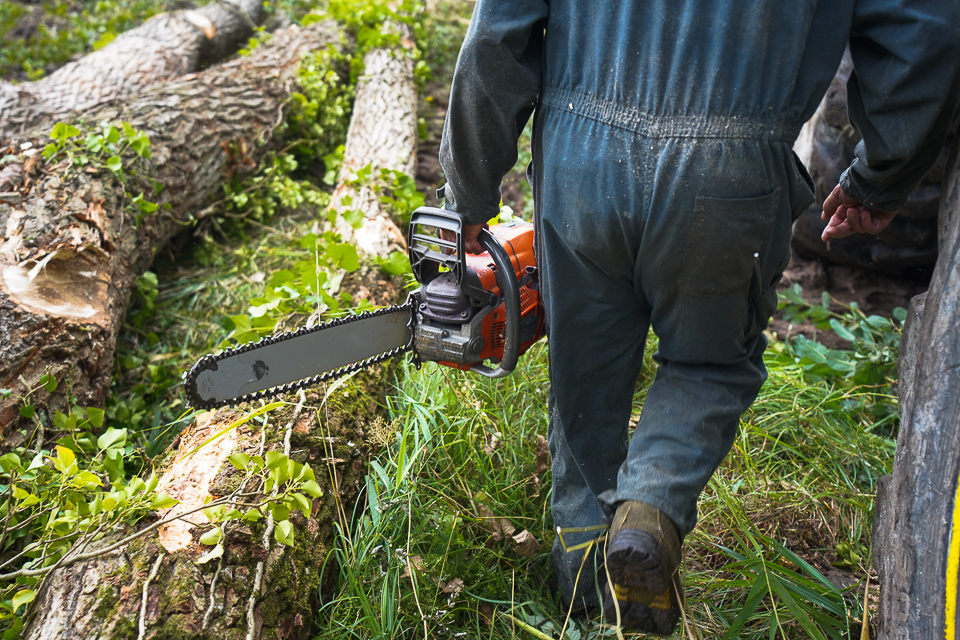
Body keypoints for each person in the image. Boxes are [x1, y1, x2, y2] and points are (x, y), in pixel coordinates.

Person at [437, 0, 960, 634]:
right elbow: (924, 29)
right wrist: (884, 171)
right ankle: (650, 511)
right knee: (708, 366)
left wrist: (467, 193)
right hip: (730, 173)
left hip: (581, 165)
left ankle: (581, 586)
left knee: (585, 376)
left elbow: (495, 38)